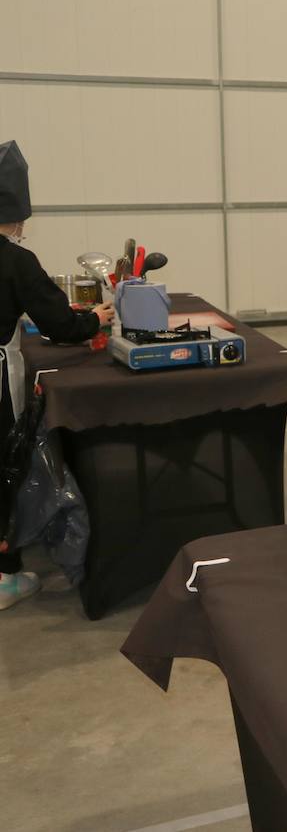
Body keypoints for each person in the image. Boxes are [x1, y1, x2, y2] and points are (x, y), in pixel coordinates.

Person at [0, 141, 113, 610]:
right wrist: (97, 320)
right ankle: (3, 577)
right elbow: (60, 323)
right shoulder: (16, 261)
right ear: (17, 219)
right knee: (4, 467)